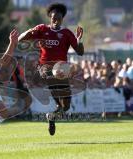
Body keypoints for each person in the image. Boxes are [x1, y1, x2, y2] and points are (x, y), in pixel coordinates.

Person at [18, 3, 84, 136]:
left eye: (59, 18)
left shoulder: (66, 33)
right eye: (54, 18)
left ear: (62, 19)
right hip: (45, 69)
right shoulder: (42, 29)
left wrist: (79, 40)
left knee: (65, 107)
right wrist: (29, 31)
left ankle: (52, 117)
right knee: (55, 70)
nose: (56, 20)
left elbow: (80, 53)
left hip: (61, 72)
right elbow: (20, 39)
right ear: (50, 17)